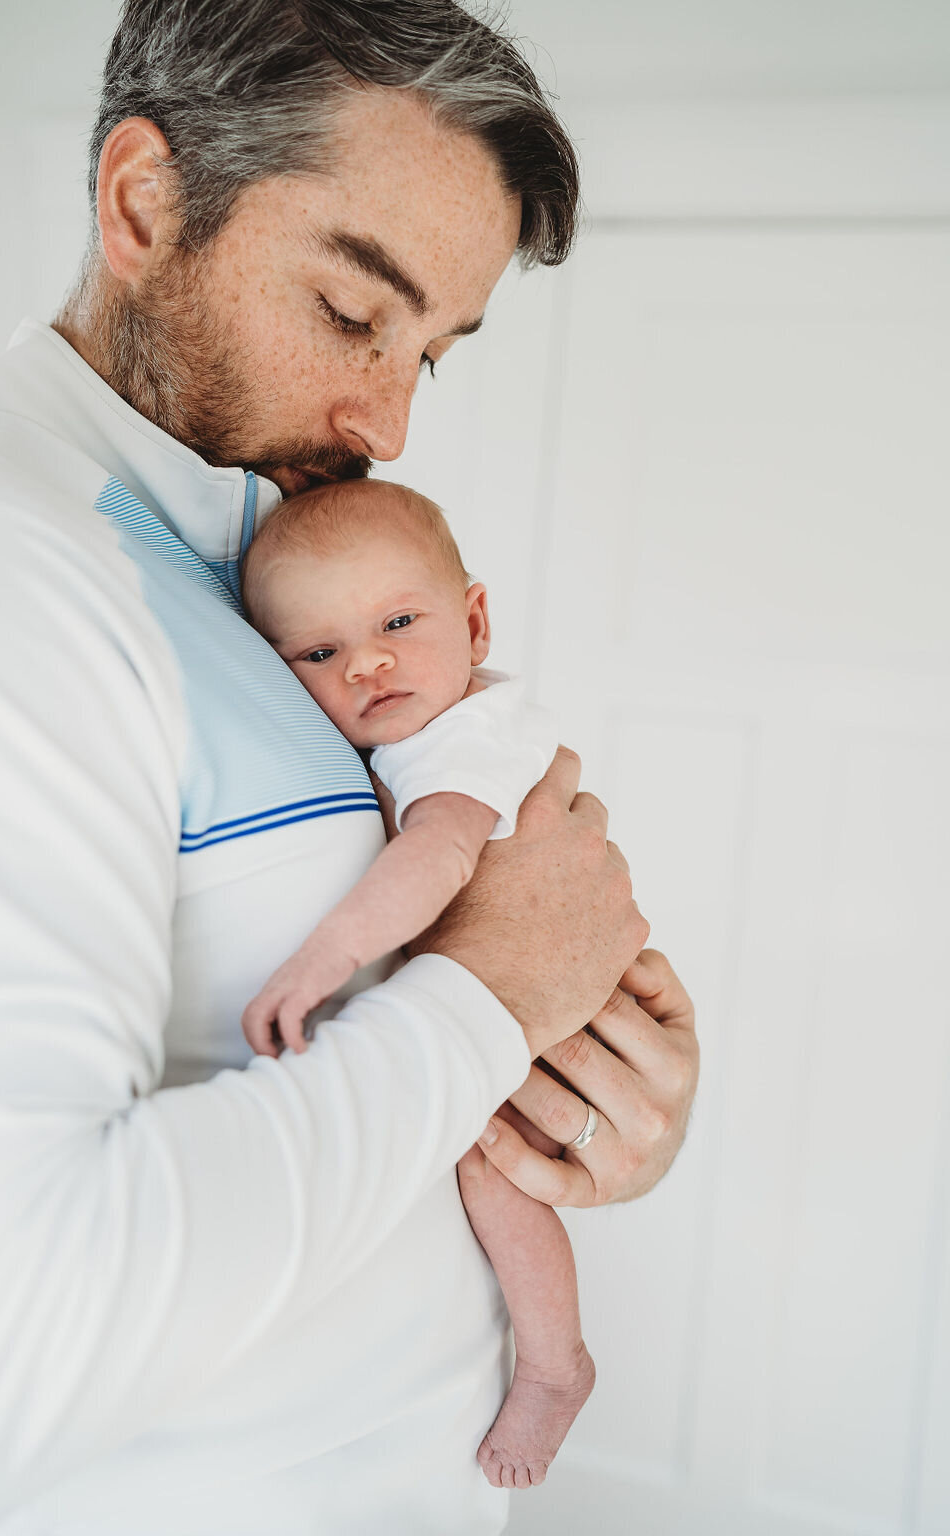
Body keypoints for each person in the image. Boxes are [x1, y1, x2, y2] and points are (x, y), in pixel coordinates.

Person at [0, 3, 698, 1532]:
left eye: (435, 355)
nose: (390, 421)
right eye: (355, 315)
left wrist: (580, 1099)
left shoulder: (256, 555)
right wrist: (492, 997)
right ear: (145, 201)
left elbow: (381, 1035)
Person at [240, 476, 593, 1490]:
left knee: (490, 1166)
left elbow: (437, 859)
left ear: (474, 620)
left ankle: (557, 1365)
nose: (368, 661)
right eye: (319, 652)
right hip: (499, 985)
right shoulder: (417, 726)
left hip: (539, 1001)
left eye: (398, 619)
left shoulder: (466, 735)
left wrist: (322, 959)